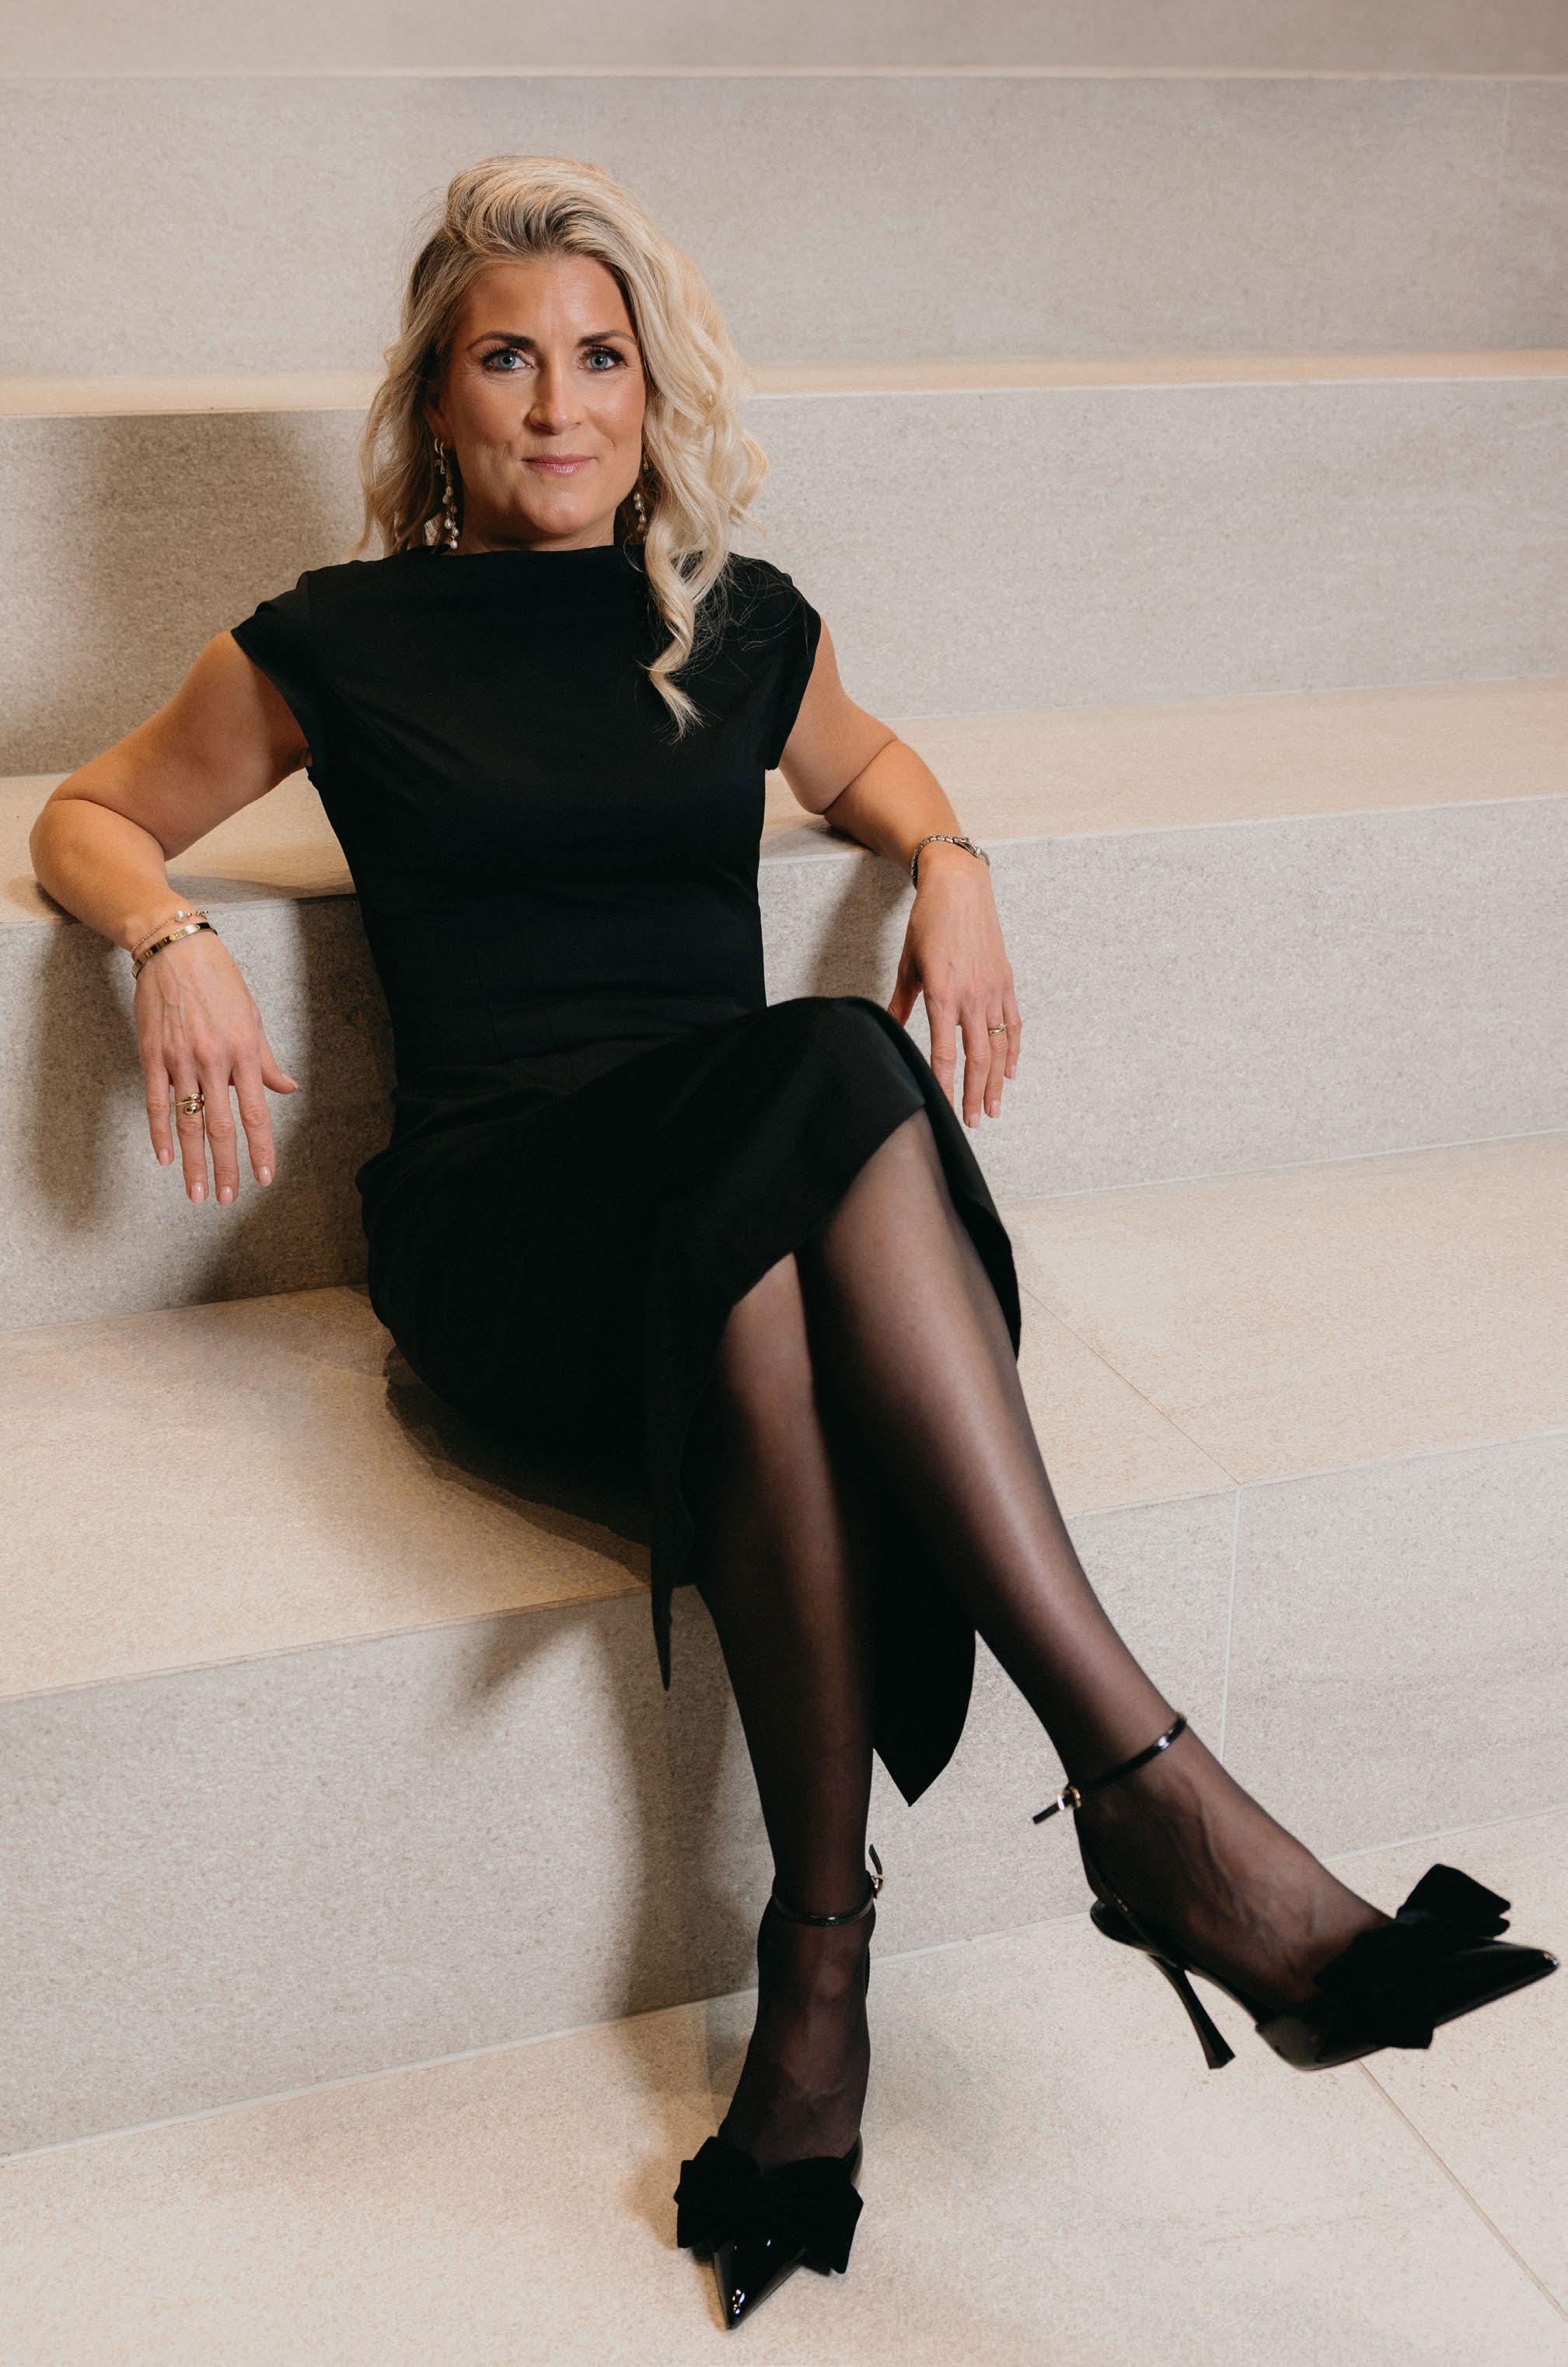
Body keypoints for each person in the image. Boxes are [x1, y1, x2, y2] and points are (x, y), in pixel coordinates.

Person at [30, 153, 1556, 2334]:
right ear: (437, 403)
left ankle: (814, 1984)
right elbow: (90, 811)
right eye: (505, 362)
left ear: (651, 393)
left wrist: (953, 859)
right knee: (830, 1068)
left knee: (765, 1248)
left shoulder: (739, 625)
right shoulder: (334, 643)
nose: (559, 405)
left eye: (600, 359)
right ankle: (1153, 1799)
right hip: (508, 1229)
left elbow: (880, 775)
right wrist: (167, 935)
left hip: (736, 1225)